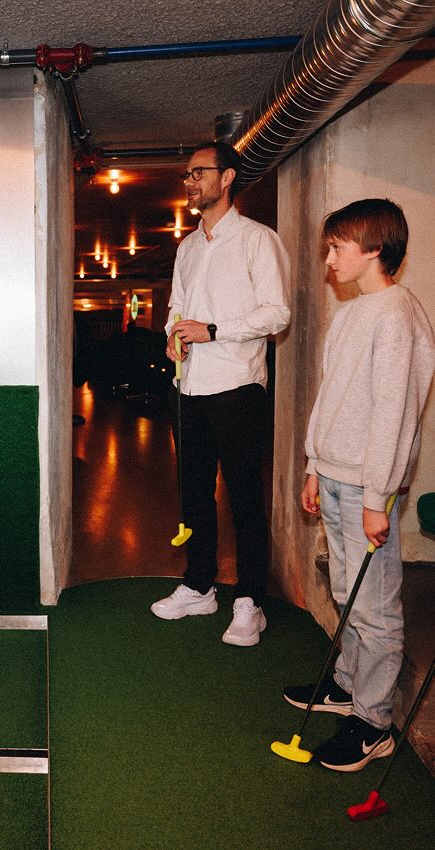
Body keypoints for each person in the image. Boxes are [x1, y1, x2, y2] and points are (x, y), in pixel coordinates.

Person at [283, 198, 435, 771]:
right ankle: (348, 686)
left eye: (337, 248)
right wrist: (313, 464)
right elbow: (332, 398)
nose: (329, 260)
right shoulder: (351, 314)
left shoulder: (397, 315)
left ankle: (374, 724)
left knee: (375, 608)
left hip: (367, 489)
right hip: (335, 476)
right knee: (348, 593)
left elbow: (395, 415)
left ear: (374, 249)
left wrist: (378, 497)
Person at [150, 141, 291, 646]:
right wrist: (172, 332)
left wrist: (213, 330)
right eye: (187, 175)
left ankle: (250, 601)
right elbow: (177, 305)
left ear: (227, 177)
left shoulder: (258, 240)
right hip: (187, 385)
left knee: (244, 495)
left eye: (199, 173)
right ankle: (199, 586)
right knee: (194, 493)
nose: (189, 182)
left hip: (237, 387)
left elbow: (277, 313)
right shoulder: (188, 247)